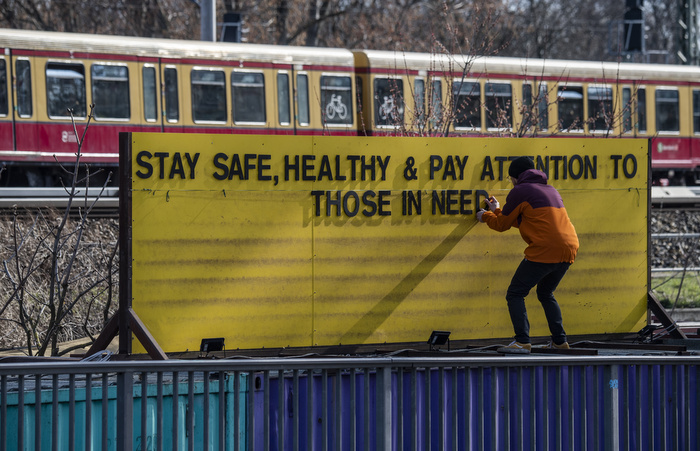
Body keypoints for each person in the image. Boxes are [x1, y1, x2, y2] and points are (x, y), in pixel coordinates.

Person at [476, 156, 579, 353]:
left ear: (515, 177)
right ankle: (560, 341)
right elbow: (524, 221)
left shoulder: (520, 191)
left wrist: (485, 216)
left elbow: (502, 226)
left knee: (515, 293)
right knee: (545, 293)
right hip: (569, 247)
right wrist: (496, 210)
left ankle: (522, 341)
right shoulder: (551, 190)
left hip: (545, 249)